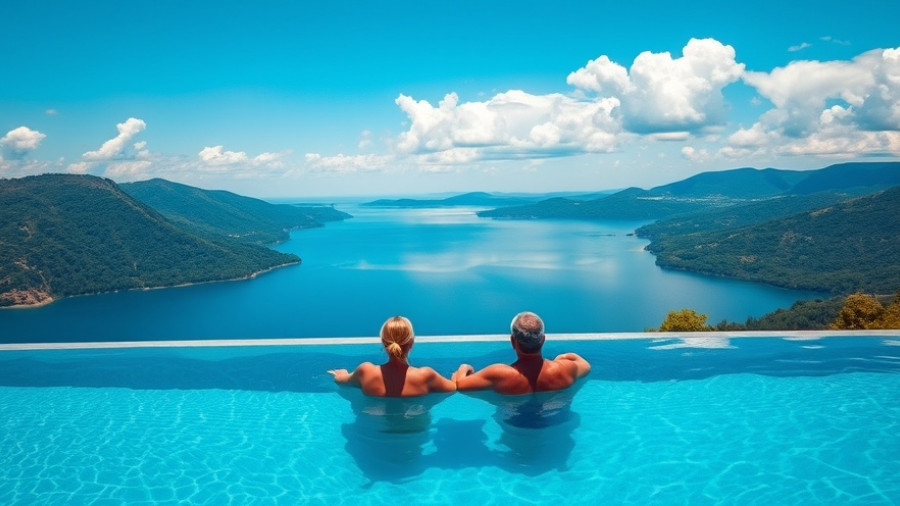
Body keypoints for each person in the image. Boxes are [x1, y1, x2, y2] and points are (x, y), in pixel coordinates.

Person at [453, 311, 590, 394]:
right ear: (543, 340)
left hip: (512, 436)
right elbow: (585, 365)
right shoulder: (564, 369)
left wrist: (464, 368)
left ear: (513, 342)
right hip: (556, 430)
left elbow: (459, 385)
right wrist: (564, 357)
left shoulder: (499, 374)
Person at [329, 316, 456, 397]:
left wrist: (342, 374)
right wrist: (461, 372)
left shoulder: (365, 371)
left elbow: (340, 381)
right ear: (411, 344)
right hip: (415, 434)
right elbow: (455, 387)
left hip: (375, 432)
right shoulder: (426, 376)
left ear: (384, 344)